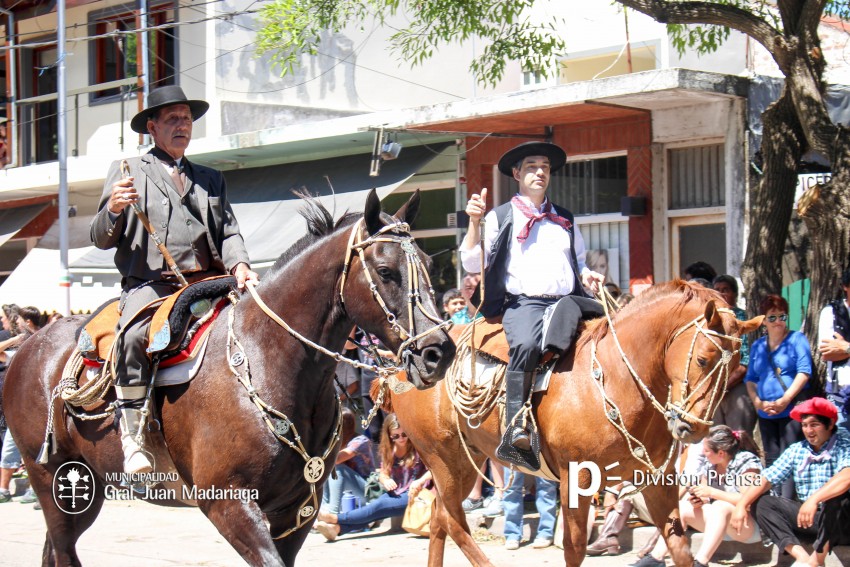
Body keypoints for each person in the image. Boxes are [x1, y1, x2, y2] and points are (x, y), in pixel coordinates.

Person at [91, 85, 258, 476]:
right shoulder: (128, 170)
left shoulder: (210, 178)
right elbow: (100, 238)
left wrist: (241, 266)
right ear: (152, 127)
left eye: (186, 118)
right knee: (132, 337)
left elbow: (229, 233)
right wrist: (114, 208)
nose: (182, 125)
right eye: (172, 119)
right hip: (152, 285)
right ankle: (132, 434)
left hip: (210, 281)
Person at [459, 141, 604, 470]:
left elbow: (578, 262)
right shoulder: (501, 216)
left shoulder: (564, 217)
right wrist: (474, 222)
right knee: (525, 344)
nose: (540, 172)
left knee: (607, 332)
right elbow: (470, 262)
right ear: (516, 174)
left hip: (569, 302)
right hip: (525, 304)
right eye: (531, 167)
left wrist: (590, 275)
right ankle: (516, 425)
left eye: (545, 168)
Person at [731, 398, 850, 567]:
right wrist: (741, 505)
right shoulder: (798, 449)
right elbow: (766, 478)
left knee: (839, 498)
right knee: (762, 501)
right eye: (804, 425)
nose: (808, 430)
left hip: (841, 525)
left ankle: (816, 561)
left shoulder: (844, 443)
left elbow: (847, 476)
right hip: (809, 520)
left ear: (830, 424)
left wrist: (814, 499)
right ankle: (801, 558)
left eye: (814, 424)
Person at [630, 426, 763, 567]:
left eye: (706, 451)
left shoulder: (747, 462)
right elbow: (705, 494)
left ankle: (700, 562)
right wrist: (699, 500)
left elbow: (748, 501)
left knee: (720, 507)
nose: (703, 454)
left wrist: (712, 492)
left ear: (721, 453)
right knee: (680, 507)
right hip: (718, 523)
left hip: (749, 525)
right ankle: (655, 558)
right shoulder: (711, 463)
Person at [314, 413, 432, 541]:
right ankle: (337, 529)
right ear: (389, 435)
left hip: (418, 493)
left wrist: (420, 481)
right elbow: (383, 473)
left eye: (404, 434)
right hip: (398, 491)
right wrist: (386, 480)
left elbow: (434, 469)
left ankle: (335, 518)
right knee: (377, 509)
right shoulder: (389, 449)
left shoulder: (418, 447)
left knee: (379, 506)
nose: (401, 439)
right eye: (396, 436)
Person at [745, 294, 811, 499]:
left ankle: (787, 505)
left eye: (782, 316)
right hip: (766, 413)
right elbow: (751, 378)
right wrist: (757, 402)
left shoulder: (796, 339)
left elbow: (804, 371)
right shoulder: (757, 346)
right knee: (772, 460)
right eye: (772, 317)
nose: (778, 322)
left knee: (790, 459)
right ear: (764, 320)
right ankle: (773, 505)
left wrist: (785, 399)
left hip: (791, 411)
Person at [712, 275, 756, 438]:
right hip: (714, 388)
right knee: (716, 440)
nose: (722, 294)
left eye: (726, 290)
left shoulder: (742, 318)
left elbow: (745, 360)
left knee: (739, 437)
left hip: (737, 385)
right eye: (717, 290)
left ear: (735, 294)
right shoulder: (709, 320)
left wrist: (724, 385)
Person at [321, 408, 374, 514]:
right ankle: (323, 510)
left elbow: (336, 460)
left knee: (335, 468)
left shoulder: (360, 441)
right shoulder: (334, 443)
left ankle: (333, 513)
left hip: (366, 491)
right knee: (323, 467)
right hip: (346, 493)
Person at [818, 267, 850, 434]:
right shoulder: (831, 312)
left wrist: (845, 347)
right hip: (840, 397)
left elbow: (839, 349)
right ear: (845, 286)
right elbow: (827, 352)